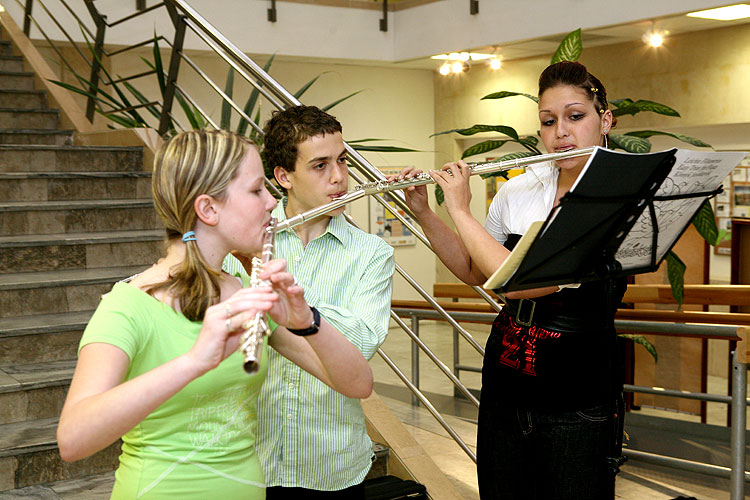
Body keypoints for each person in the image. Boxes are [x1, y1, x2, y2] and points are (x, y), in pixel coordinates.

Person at [56, 129, 374, 500]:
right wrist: (194, 362)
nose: (272, 203)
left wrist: (308, 322)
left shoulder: (241, 292)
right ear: (209, 209)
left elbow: (358, 384)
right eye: (257, 190)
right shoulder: (128, 305)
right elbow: (72, 440)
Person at [395, 61, 625, 499]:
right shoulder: (518, 190)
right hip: (507, 381)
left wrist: (461, 210)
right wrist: (426, 211)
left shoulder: (615, 195)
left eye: (575, 117)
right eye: (548, 121)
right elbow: (472, 270)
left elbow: (517, 283)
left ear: (605, 120)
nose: (561, 132)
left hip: (575, 388)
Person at [223, 105, 395, 499]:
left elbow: (363, 342)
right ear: (283, 177)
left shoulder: (372, 253)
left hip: (331, 464)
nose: (339, 178)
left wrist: (290, 305)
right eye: (320, 165)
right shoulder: (243, 244)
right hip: (251, 460)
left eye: (342, 161)